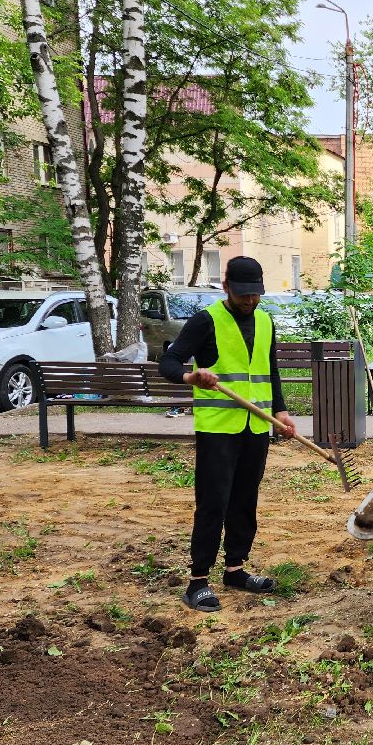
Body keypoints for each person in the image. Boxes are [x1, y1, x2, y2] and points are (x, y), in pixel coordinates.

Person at [159, 256, 297, 612]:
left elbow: (270, 372)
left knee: (244, 500)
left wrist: (279, 412)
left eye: (255, 295)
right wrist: (191, 377)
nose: (250, 301)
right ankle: (198, 581)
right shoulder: (207, 321)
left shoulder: (266, 322)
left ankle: (235, 568)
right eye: (242, 295)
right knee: (213, 502)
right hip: (218, 429)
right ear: (226, 288)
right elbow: (169, 363)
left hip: (256, 427)